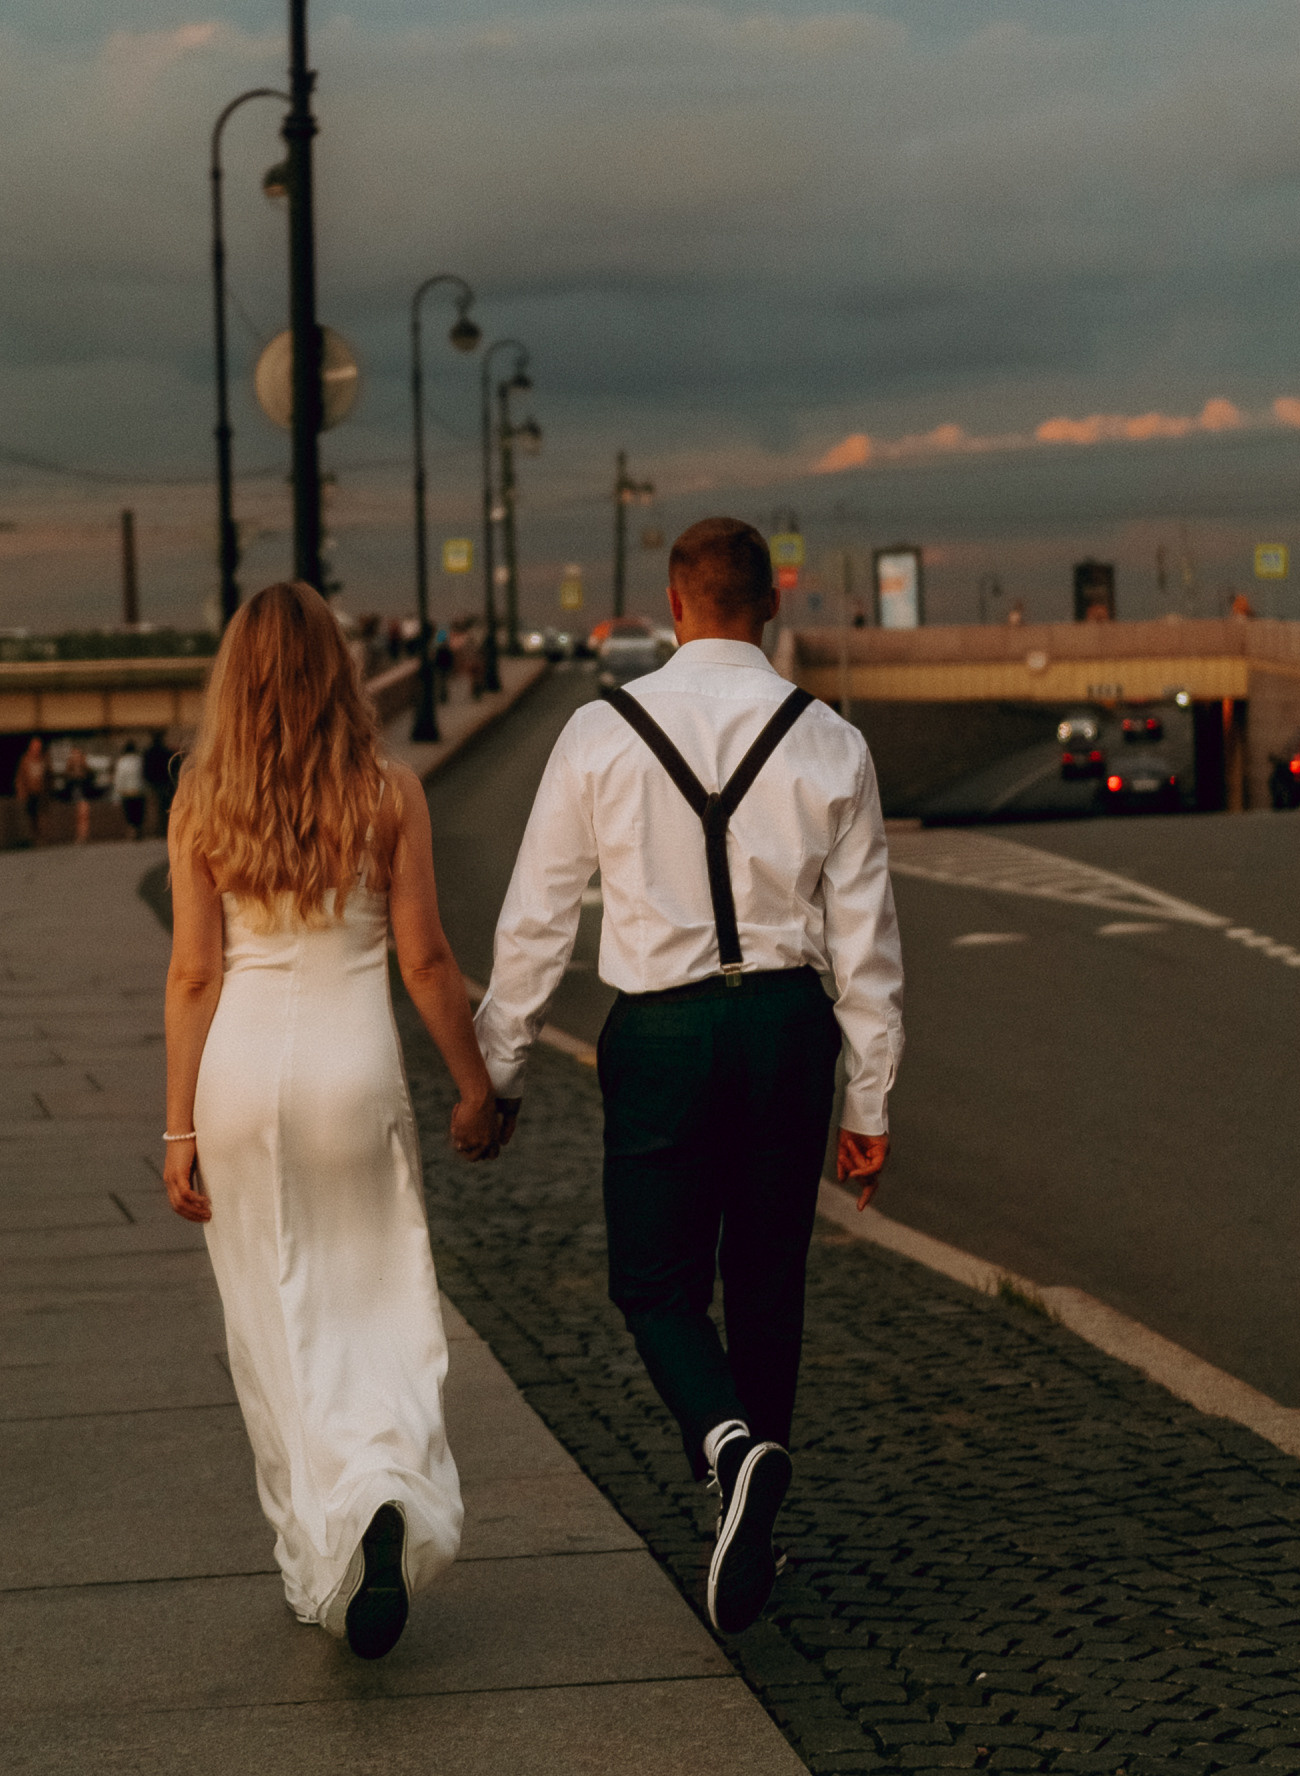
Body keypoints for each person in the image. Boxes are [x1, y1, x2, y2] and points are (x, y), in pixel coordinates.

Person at [476, 515, 902, 1638]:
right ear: (770, 606)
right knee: (766, 1281)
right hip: (785, 1030)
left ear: (673, 607)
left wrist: (500, 1069)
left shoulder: (598, 733)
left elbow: (536, 917)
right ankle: (754, 1509)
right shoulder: (830, 743)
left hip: (659, 1033)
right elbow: (865, 948)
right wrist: (869, 1100)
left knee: (654, 1283)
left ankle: (724, 1448)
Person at [161, 581, 502, 1657]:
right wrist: (475, 1085)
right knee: (376, 1303)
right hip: (353, 1076)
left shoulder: (200, 800)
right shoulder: (387, 791)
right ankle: (383, 1491)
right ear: (340, 675)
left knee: (271, 1323)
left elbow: (190, 975)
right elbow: (425, 959)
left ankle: (320, 1550)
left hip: (239, 1079)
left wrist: (177, 1128)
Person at [12, 734, 49, 845]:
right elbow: (20, 777)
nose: (37, 748)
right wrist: (21, 791)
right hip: (30, 792)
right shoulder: (25, 759)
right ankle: (34, 837)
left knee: (42, 815)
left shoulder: (44, 759)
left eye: (39, 746)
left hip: (41, 792)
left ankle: (42, 837)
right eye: (35, 746)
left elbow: (49, 776)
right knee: (31, 816)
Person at [113, 736, 148, 842]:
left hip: (126, 792)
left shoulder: (121, 762)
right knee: (139, 813)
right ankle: (138, 830)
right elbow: (144, 776)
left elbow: (119, 778)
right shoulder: (140, 760)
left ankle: (132, 830)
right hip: (139, 790)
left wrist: (116, 794)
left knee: (129, 813)